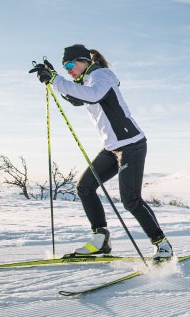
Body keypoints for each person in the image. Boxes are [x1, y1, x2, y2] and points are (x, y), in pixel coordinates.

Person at [29, 44, 173, 261]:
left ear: (83, 61)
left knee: (130, 200)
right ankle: (101, 240)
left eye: (69, 65)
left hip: (131, 145)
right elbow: (78, 99)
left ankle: (162, 244)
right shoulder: (87, 80)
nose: (69, 70)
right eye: (65, 67)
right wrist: (54, 78)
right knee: (85, 187)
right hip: (112, 148)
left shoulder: (101, 75)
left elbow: (94, 95)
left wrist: (58, 80)